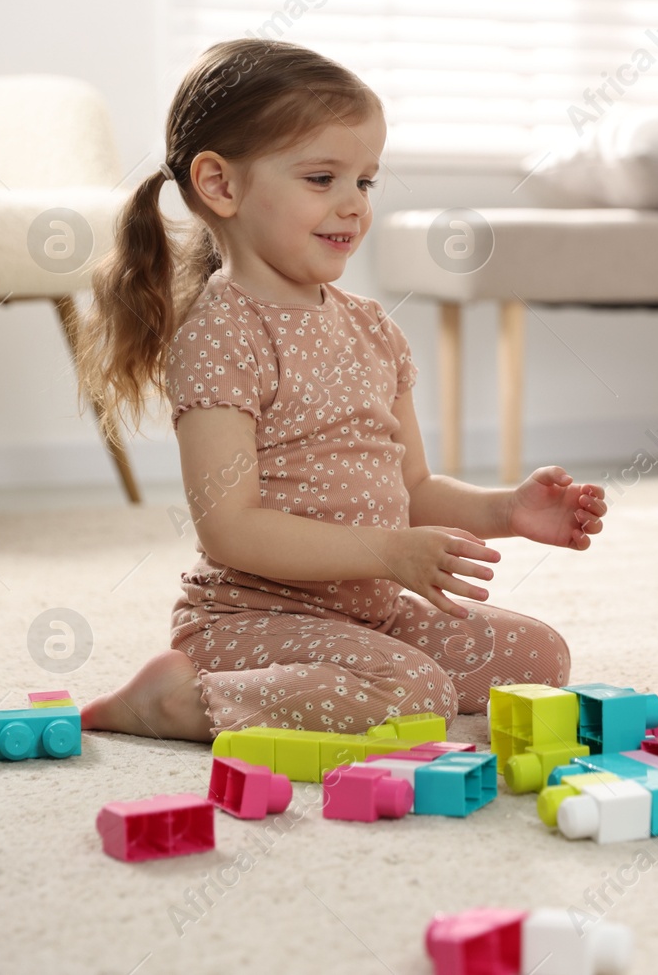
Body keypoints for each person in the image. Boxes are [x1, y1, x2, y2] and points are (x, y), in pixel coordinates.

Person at [78, 39, 604, 740]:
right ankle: (177, 699)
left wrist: (508, 509)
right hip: (252, 619)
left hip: (373, 608)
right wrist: (390, 553)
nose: (353, 205)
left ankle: (351, 668)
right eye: (322, 177)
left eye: (366, 181)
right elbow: (228, 526)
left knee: (540, 656)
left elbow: (412, 486)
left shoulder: (373, 329)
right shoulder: (221, 334)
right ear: (220, 185)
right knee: (416, 697)